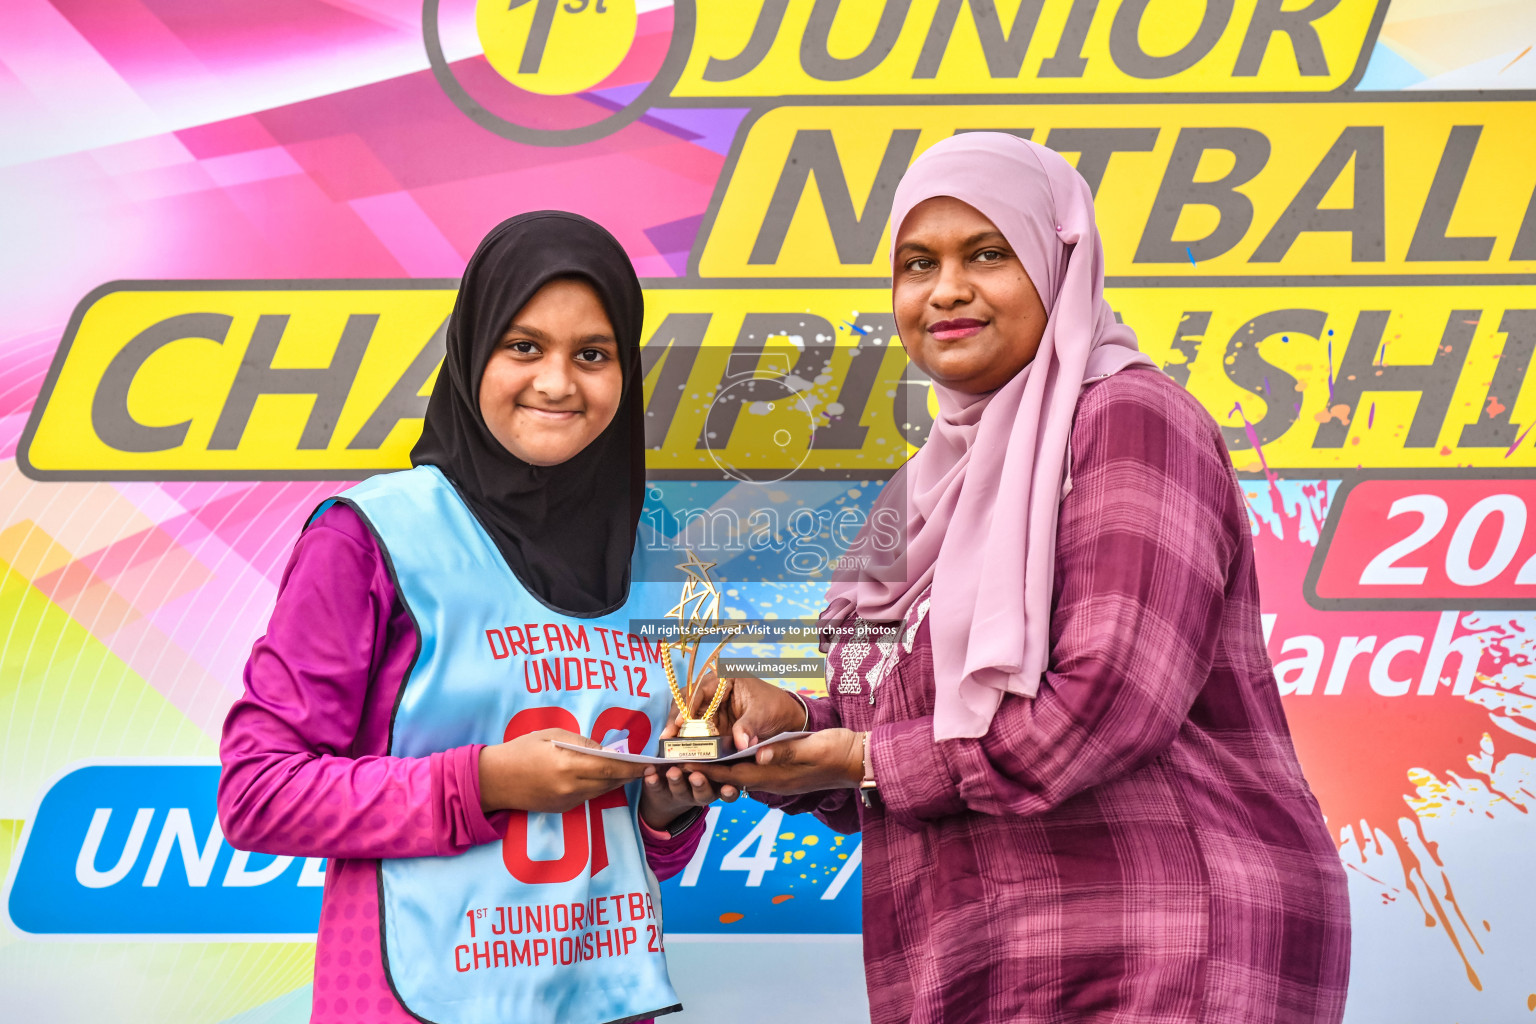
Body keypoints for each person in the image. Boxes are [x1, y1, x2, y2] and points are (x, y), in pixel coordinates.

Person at [697, 134, 1351, 1023]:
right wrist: (790, 731)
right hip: (980, 962)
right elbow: (896, 742)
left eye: (989, 254)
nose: (948, 289)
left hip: (1155, 946)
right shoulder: (923, 491)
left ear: (1057, 261)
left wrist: (860, 758)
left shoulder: (1128, 416)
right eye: (917, 263)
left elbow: (1110, 701)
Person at [219, 212, 735, 1024]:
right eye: (523, 346)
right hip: (409, 1003)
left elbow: (635, 853)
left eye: (592, 354)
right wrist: (484, 781)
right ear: (472, 352)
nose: (559, 383)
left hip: (609, 1003)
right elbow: (258, 793)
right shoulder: (371, 536)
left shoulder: (656, 548)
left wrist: (671, 806)